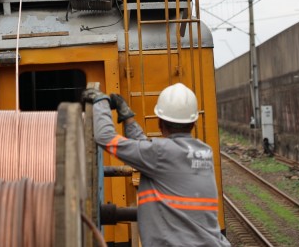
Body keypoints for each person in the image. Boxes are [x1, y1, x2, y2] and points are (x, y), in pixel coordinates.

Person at [82, 84, 230, 247]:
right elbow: (150, 152)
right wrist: (128, 118)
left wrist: (100, 101)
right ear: (194, 122)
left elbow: (106, 137)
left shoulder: (159, 154)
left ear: (160, 123)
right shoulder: (204, 151)